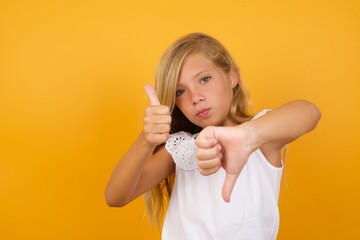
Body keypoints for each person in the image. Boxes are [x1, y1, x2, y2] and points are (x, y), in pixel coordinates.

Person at [105, 32, 321, 239]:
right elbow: (115, 197)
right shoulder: (184, 149)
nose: (195, 97)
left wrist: (246, 136)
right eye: (180, 91)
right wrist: (146, 139)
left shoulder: (261, 135)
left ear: (232, 76)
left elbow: (309, 112)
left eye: (204, 79)